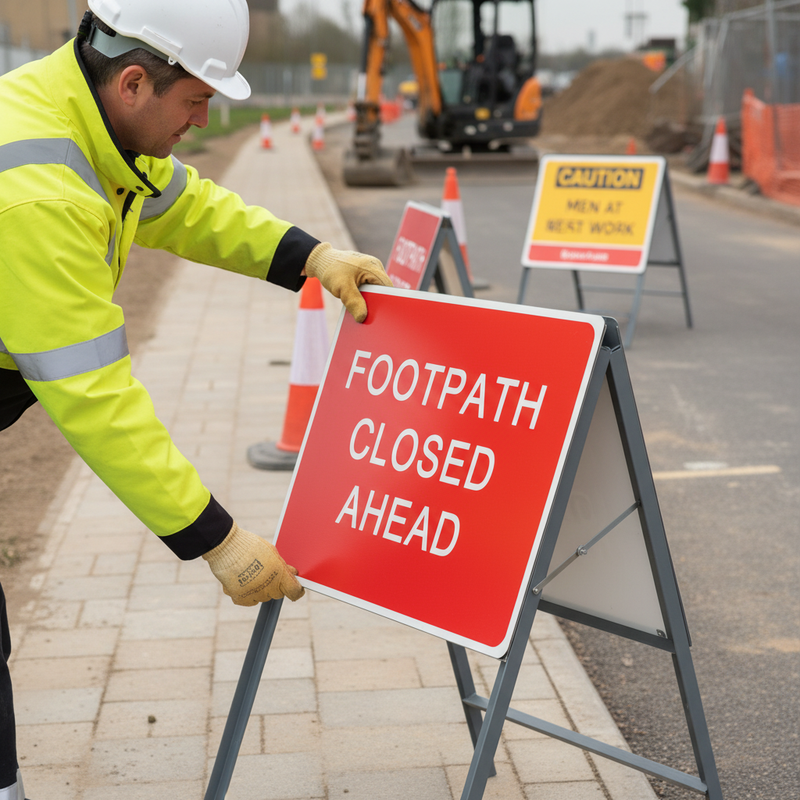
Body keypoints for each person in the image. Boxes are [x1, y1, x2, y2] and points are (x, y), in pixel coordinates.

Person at [0, 1, 393, 797]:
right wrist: (215, 538)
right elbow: (96, 399)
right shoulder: (39, 190)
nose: (202, 118)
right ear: (136, 81)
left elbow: (188, 207)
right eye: (198, 101)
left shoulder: (86, 121)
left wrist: (313, 256)